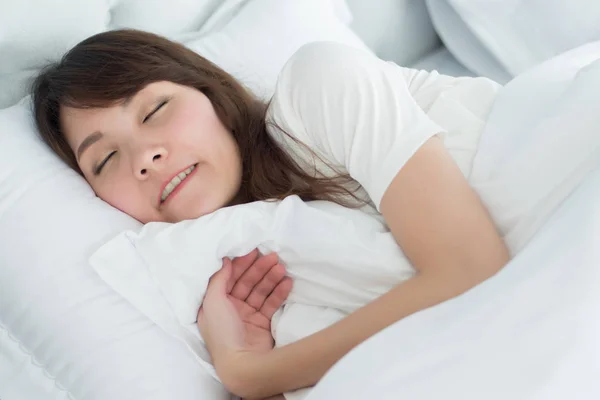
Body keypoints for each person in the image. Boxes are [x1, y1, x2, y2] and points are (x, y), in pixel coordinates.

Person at [32, 29, 509, 399]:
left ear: (212, 94)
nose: (143, 156)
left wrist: (249, 374)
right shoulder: (233, 286)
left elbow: (473, 269)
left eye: (155, 109)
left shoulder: (317, 85)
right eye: (106, 160)